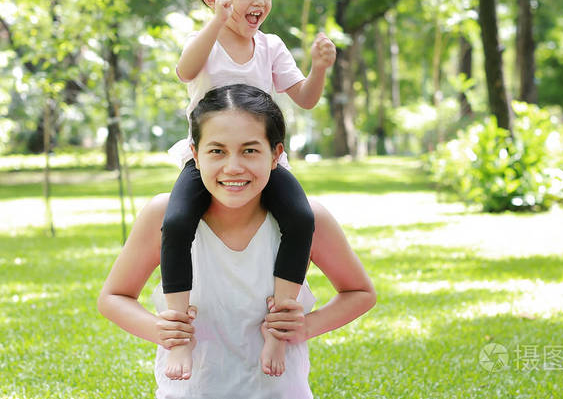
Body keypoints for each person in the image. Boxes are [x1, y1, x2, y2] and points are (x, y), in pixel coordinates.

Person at [98, 84, 376, 398]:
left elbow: (360, 292)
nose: (233, 167)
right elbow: (113, 297)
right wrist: (162, 331)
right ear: (195, 155)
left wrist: (307, 327)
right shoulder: (162, 216)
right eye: (217, 150)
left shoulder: (310, 220)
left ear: (275, 155)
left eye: (250, 150)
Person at [162, 0, 336, 379]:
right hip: (209, 162)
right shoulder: (204, 43)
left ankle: (278, 326)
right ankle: (180, 337)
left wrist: (318, 68)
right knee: (178, 222)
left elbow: (307, 99)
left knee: (299, 217)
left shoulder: (271, 46)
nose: (260, 2)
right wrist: (217, 22)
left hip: (263, 162)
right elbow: (186, 70)